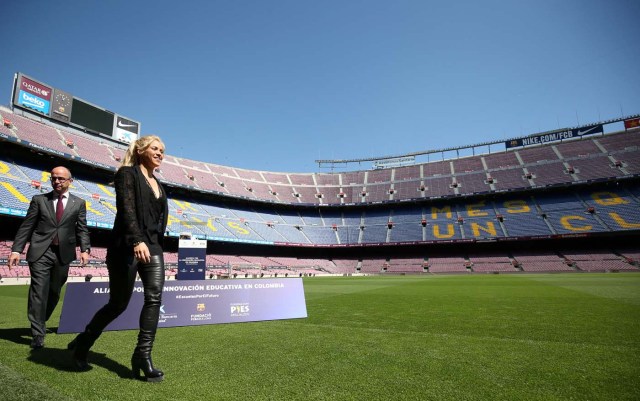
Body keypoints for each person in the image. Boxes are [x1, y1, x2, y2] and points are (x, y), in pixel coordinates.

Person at [68, 135, 168, 382]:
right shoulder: (127, 174)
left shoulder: (158, 183)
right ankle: (83, 343)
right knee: (118, 304)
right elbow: (126, 209)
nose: (160, 153)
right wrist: (137, 240)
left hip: (153, 246)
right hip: (127, 246)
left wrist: (152, 241)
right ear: (142, 150)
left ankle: (142, 355)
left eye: (163, 150)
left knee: (154, 298)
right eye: (155, 149)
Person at [8, 166, 91, 349]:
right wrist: (16, 249)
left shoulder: (79, 203)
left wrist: (85, 249)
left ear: (70, 181)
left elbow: (82, 229)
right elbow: (26, 226)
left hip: (63, 253)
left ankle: (41, 320)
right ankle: (38, 332)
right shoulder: (39, 200)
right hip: (40, 252)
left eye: (61, 178)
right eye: (53, 178)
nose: (57, 181)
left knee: (54, 291)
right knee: (39, 290)